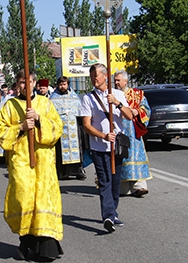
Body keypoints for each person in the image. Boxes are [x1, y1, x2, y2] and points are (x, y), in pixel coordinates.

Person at [0, 69, 64, 260]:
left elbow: (58, 128)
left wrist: (40, 119)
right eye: (21, 82)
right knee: (24, 200)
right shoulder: (10, 106)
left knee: (43, 201)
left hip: (43, 161)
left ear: (34, 83)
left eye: (29, 82)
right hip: (21, 161)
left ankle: (45, 247)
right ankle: (24, 240)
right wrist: (21, 127)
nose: (25, 85)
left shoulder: (45, 103)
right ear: (17, 85)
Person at [80, 63, 132, 233]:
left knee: (116, 182)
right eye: (92, 76)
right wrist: (103, 136)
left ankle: (113, 212)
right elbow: (86, 125)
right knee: (105, 182)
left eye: (97, 76)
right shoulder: (88, 98)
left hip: (117, 147)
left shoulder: (117, 94)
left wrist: (116, 103)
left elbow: (130, 116)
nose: (94, 79)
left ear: (105, 76)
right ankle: (108, 216)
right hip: (99, 147)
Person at [114, 70, 152, 197]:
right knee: (121, 156)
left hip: (133, 131)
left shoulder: (137, 94)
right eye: (115, 80)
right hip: (119, 130)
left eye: (118, 80)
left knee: (136, 157)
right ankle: (124, 187)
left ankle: (139, 186)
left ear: (126, 81)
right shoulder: (112, 94)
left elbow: (146, 109)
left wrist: (137, 111)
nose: (116, 83)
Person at [50, 76, 86, 180]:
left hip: (73, 127)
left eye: (64, 84)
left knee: (77, 148)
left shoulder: (74, 97)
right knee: (60, 150)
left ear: (68, 84)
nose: (62, 86)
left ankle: (78, 170)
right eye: (60, 84)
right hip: (60, 129)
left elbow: (79, 111)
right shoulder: (53, 98)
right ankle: (62, 172)